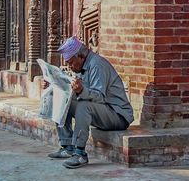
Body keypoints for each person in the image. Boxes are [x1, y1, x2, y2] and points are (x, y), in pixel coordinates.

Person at [47, 36, 134, 169]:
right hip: (102, 111)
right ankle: (67, 146)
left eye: (71, 62)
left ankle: (80, 153)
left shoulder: (96, 64)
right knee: (59, 96)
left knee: (84, 105)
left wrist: (81, 90)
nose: (70, 66)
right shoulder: (82, 65)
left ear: (81, 56)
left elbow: (99, 96)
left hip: (118, 115)